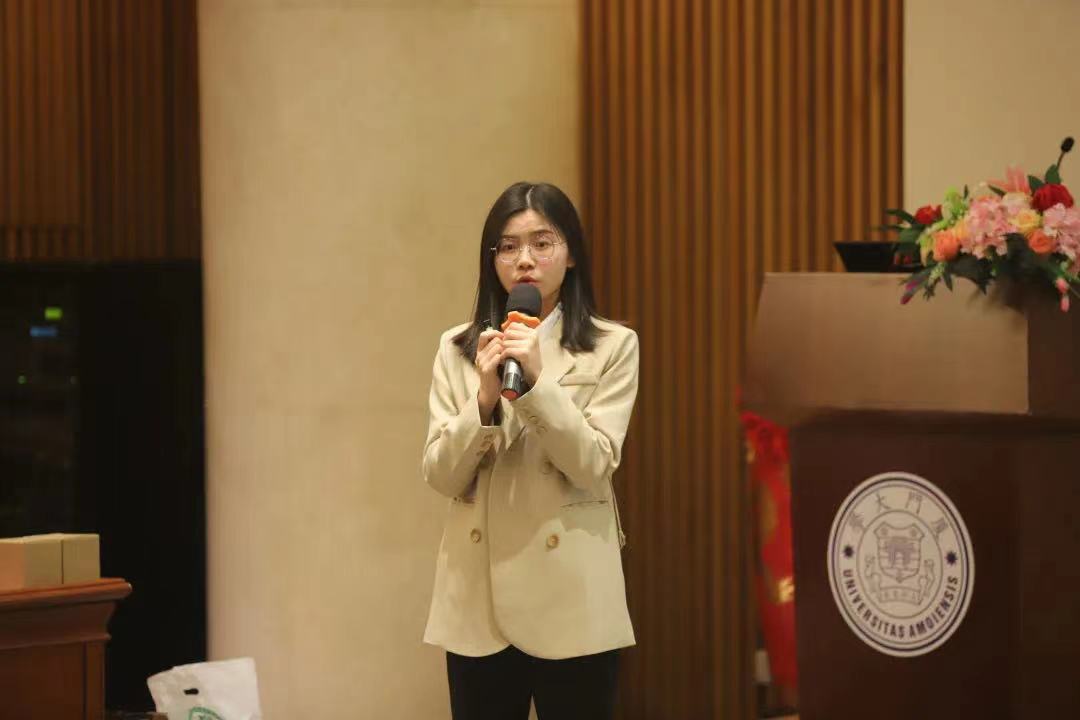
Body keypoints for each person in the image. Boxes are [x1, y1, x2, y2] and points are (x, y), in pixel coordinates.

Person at [422, 181, 640, 720]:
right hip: (479, 607)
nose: (524, 259)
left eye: (542, 243)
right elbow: (442, 476)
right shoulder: (458, 348)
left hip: (573, 600)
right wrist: (484, 400)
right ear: (492, 259)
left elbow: (594, 465)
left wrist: (539, 384)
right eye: (508, 245)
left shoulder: (612, 346)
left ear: (571, 255)